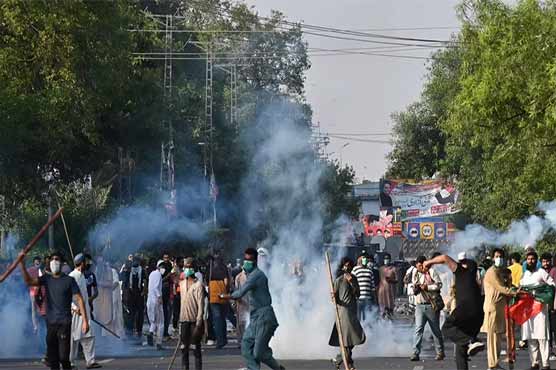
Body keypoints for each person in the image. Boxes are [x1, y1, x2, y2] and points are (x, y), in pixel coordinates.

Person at [20, 251, 90, 370]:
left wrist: (85, 321)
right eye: (52, 259)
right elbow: (29, 281)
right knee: (53, 361)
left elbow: (79, 299)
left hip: (64, 324)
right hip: (51, 324)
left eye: (56, 259)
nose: (54, 262)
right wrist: (22, 264)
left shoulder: (69, 280)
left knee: (63, 358)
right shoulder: (46, 279)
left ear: (62, 263)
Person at [220, 248, 285, 370]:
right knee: (245, 344)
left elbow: (240, 293)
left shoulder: (257, 275)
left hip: (265, 317)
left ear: (255, 261)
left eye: (249, 260)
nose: (246, 262)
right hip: (255, 317)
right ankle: (253, 368)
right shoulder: (250, 275)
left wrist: (225, 296)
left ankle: (278, 368)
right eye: (245, 259)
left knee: (259, 352)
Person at [424, 254, 485, 370]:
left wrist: (429, 262)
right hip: (478, 315)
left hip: (464, 310)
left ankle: (471, 341)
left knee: (446, 328)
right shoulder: (474, 280)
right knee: (460, 349)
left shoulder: (461, 272)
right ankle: (471, 340)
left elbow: (445, 258)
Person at [481, 248, 517, 370]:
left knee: (498, 337)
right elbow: (501, 288)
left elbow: (508, 286)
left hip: (500, 308)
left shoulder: (502, 272)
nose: (499, 258)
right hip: (492, 308)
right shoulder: (491, 272)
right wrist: (515, 292)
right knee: (492, 338)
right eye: (496, 256)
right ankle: (492, 365)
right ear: (492, 258)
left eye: (501, 256)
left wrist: (514, 286)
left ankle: (495, 363)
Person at [329, 257, 366, 370]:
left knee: (352, 339)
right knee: (347, 339)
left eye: (349, 265)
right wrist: (333, 297)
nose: (348, 267)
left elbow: (358, 294)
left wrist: (352, 282)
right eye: (346, 265)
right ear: (342, 266)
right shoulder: (338, 280)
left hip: (353, 311)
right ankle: (349, 365)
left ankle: (338, 359)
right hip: (343, 313)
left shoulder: (353, 278)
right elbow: (334, 298)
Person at [521, 250, 555, 370]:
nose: (530, 261)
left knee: (542, 337)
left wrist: (543, 296)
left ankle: (545, 364)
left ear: (536, 260)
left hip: (540, 310)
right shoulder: (525, 275)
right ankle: (534, 363)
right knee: (531, 337)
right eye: (528, 259)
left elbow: (552, 285)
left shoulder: (541, 272)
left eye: (533, 259)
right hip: (528, 310)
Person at [69, 254, 102, 369]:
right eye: (86, 262)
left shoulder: (82, 276)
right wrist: (74, 307)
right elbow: (68, 296)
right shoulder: (72, 276)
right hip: (75, 313)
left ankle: (90, 361)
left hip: (85, 312)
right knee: (73, 338)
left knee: (88, 336)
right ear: (82, 263)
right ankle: (70, 362)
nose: (88, 264)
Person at [410, 256, 445, 362]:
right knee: (418, 330)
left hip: (431, 305)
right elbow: (414, 286)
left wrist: (427, 287)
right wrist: (416, 289)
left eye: (421, 265)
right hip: (419, 305)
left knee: (435, 330)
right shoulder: (415, 273)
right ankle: (415, 353)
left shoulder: (431, 272)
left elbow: (439, 285)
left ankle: (440, 352)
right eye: (417, 266)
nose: (419, 268)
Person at [179, 258, 205, 370]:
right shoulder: (182, 283)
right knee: (184, 348)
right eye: (186, 267)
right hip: (184, 320)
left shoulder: (198, 285)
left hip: (195, 320)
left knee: (195, 348)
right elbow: (181, 302)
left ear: (193, 269)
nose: (187, 269)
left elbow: (201, 304)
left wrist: (199, 321)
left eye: (189, 267)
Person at [209, 250, 230, 349]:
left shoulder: (210, 268)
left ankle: (220, 341)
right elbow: (226, 281)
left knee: (217, 319)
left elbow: (206, 281)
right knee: (222, 318)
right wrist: (225, 291)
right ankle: (223, 339)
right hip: (222, 294)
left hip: (213, 295)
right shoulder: (223, 267)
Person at [125, 257, 146, 338]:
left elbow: (144, 282)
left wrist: (144, 292)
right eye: (134, 261)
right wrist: (126, 295)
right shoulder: (129, 271)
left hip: (139, 295)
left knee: (140, 313)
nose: (135, 263)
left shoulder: (142, 271)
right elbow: (126, 284)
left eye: (137, 261)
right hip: (131, 295)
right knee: (131, 313)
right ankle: (130, 330)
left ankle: (139, 330)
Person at [352, 252, 376, 322]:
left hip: (368, 300)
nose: (364, 260)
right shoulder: (355, 269)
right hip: (358, 299)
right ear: (359, 260)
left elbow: (373, 287)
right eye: (363, 258)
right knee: (358, 319)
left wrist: (375, 299)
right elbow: (351, 283)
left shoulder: (370, 271)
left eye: (365, 259)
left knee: (367, 319)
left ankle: (367, 332)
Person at [147, 260, 165, 349]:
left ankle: (150, 332)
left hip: (150, 300)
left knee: (153, 321)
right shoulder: (158, 275)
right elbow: (156, 287)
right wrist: (160, 297)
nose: (163, 269)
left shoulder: (151, 274)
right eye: (162, 266)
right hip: (156, 301)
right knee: (161, 322)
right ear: (158, 267)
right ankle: (159, 343)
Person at [378, 253, 397, 319]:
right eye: (385, 259)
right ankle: (382, 325)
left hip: (390, 291)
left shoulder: (393, 269)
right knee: (382, 309)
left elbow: (397, 280)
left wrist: (391, 280)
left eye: (387, 259)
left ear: (390, 259)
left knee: (390, 309)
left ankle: (391, 325)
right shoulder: (380, 269)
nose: (386, 260)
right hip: (382, 291)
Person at [234, 265, 250, 345]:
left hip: (251, 302)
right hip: (241, 303)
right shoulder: (238, 277)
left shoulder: (253, 276)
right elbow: (236, 291)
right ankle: (240, 341)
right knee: (241, 323)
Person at [172, 256, 185, 335]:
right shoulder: (175, 270)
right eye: (181, 262)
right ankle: (174, 326)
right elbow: (174, 281)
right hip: (177, 292)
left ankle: (178, 325)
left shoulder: (181, 270)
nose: (183, 263)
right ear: (178, 262)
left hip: (181, 291)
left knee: (180, 310)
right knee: (176, 310)